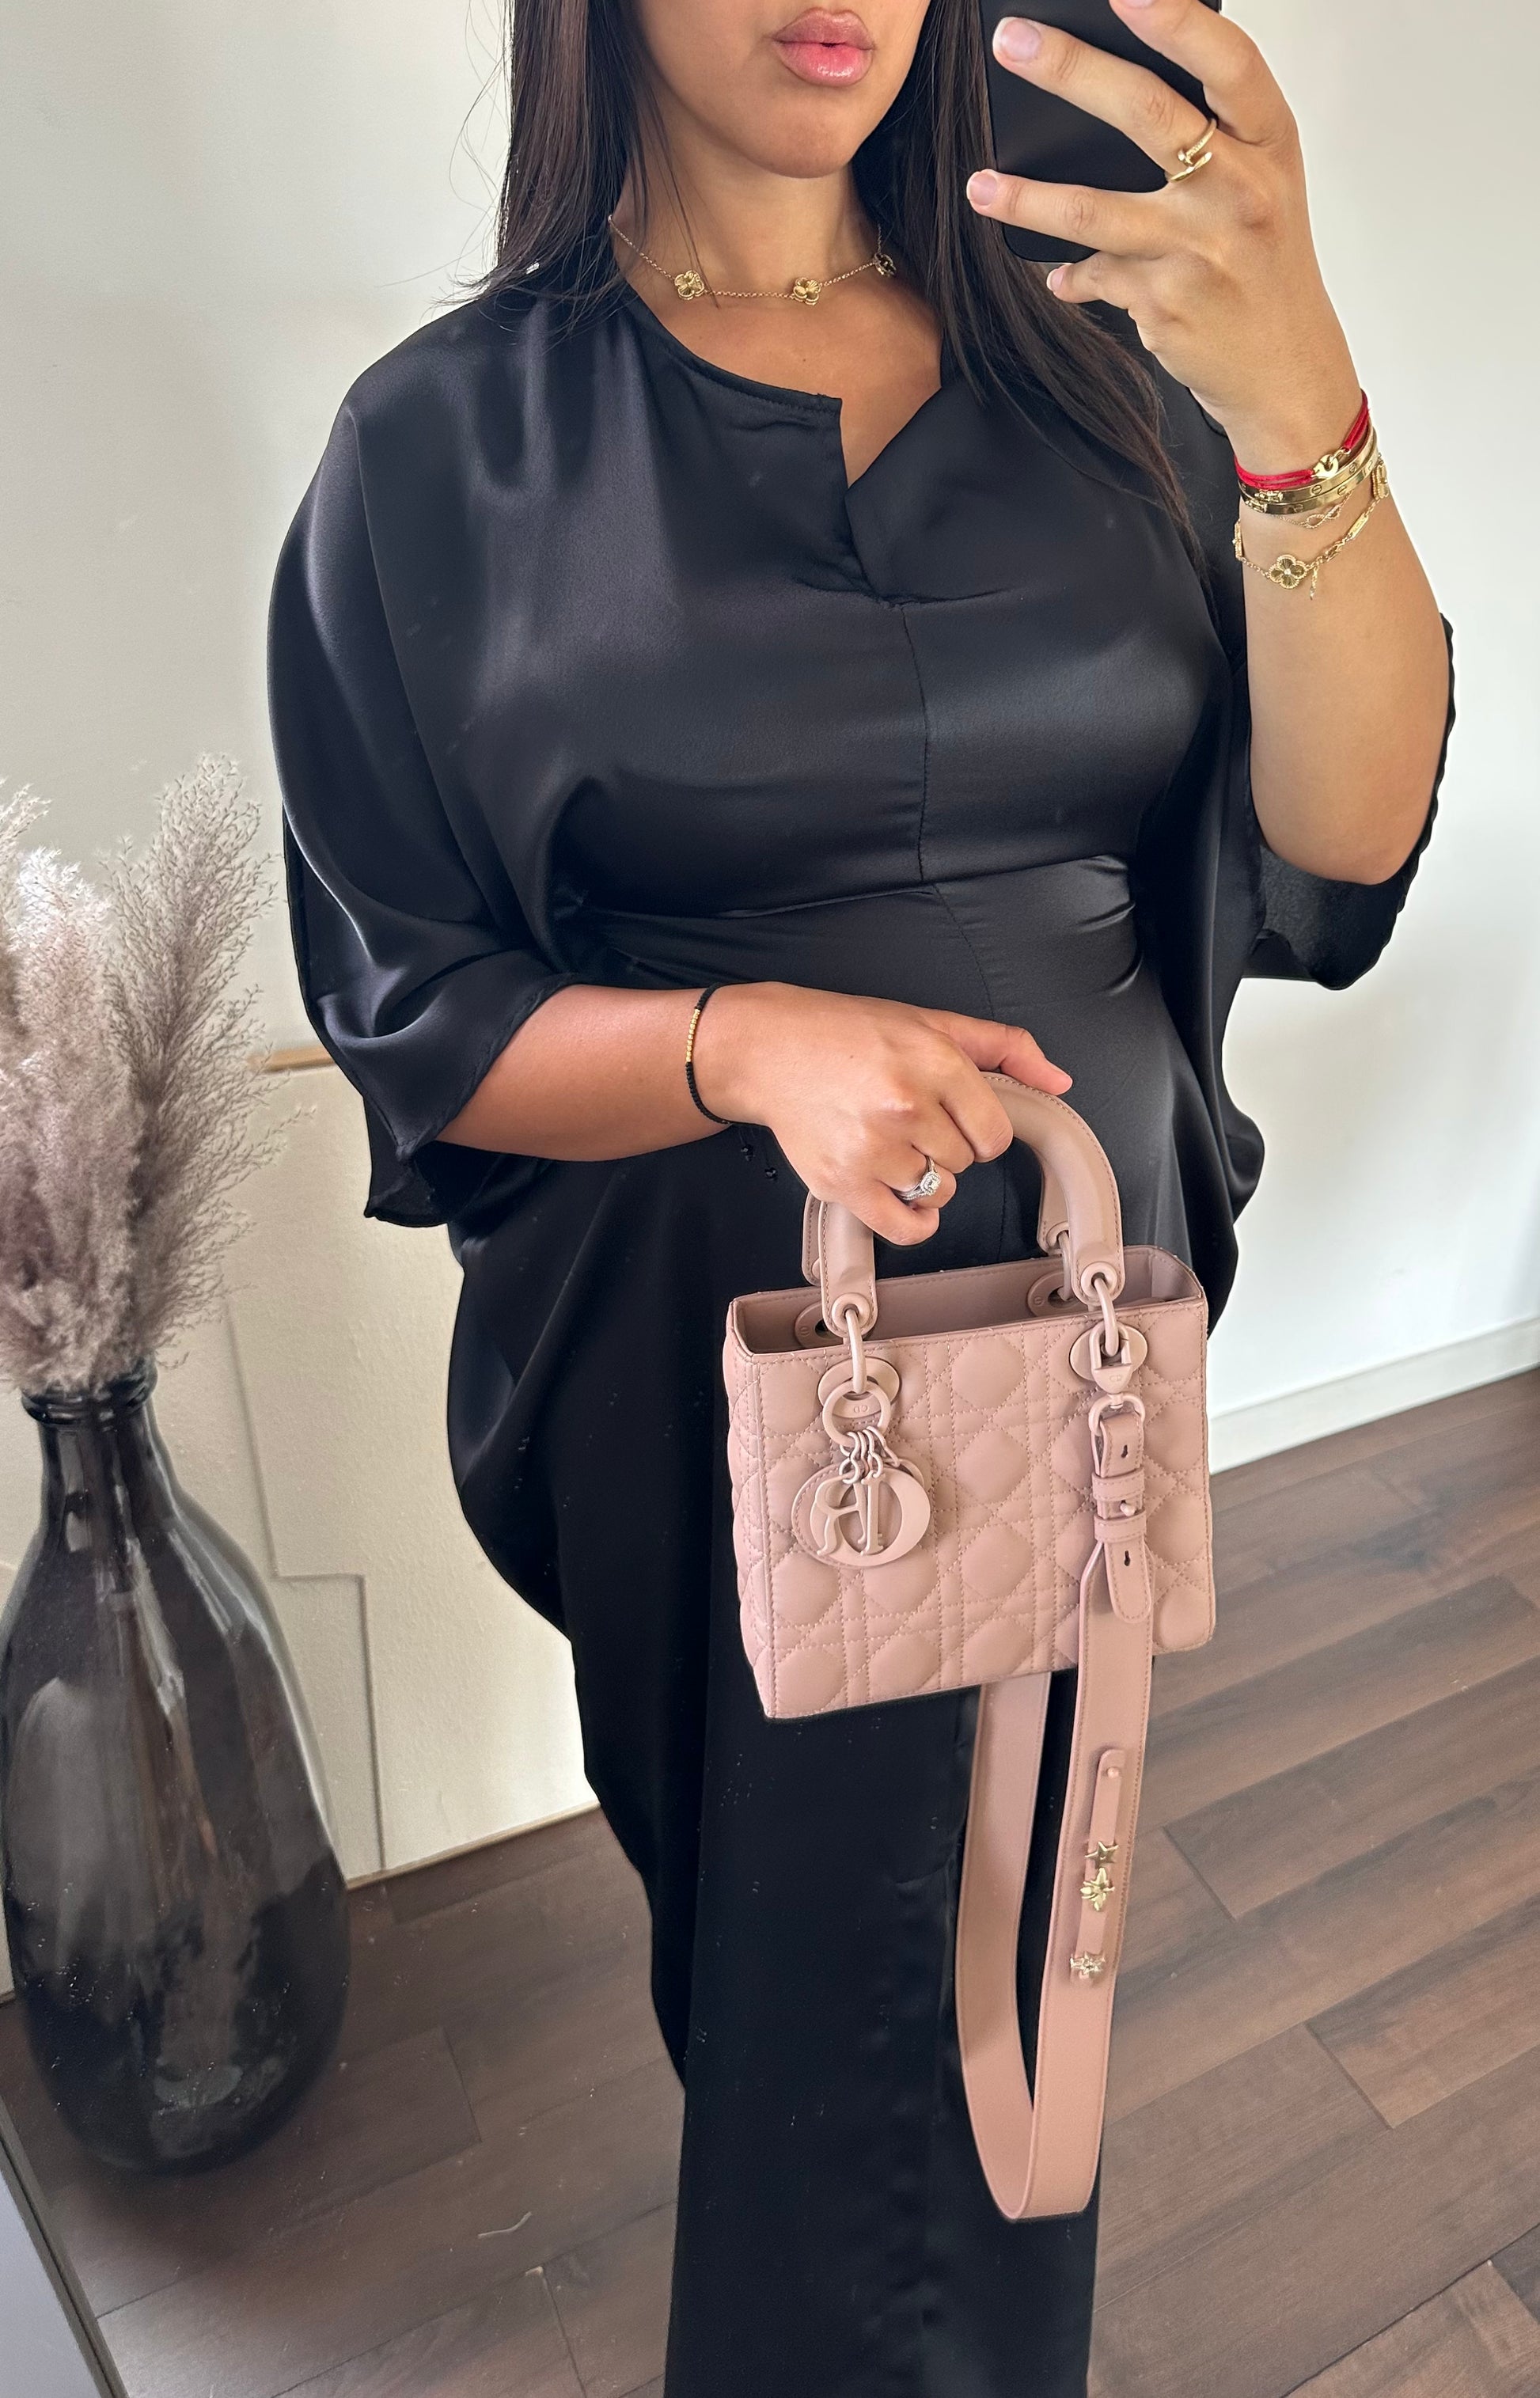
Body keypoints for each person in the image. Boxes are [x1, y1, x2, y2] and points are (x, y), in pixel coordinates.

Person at [268, 0, 1455, 2387]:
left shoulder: (1099, 374)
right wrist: (736, 1042)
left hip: (1079, 1354)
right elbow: (419, 1015)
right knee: (823, 2016)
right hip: (710, 1388)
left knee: (1000, 1973)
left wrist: (1301, 395)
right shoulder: (442, 448)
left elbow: (1343, 851)